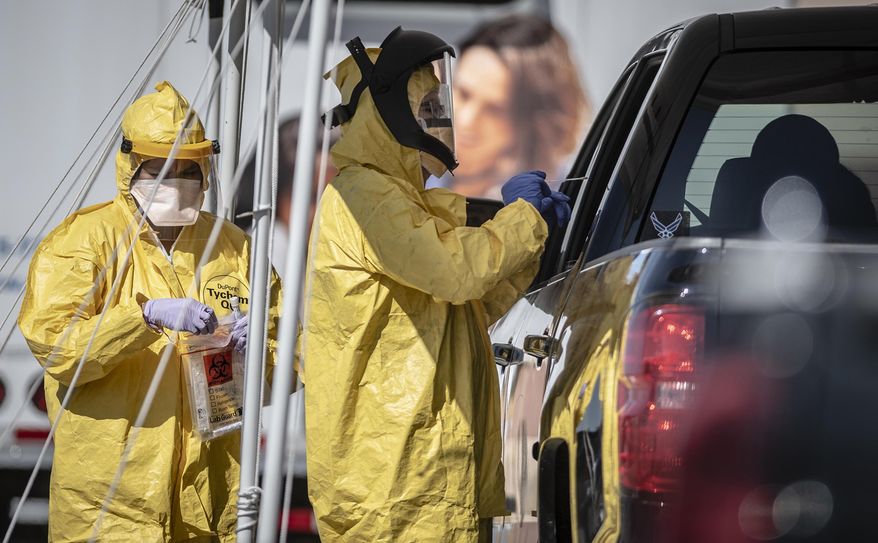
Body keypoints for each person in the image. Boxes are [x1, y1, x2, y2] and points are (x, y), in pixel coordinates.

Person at [303, 27, 570, 542]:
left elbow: (468, 304)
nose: (440, 120)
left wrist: (530, 248)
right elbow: (456, 272)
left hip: (430, 477)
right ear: (388, 114)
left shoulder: (403, 200)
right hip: (394, 488)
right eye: (426, 107)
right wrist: (524, 220)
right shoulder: (366, 200)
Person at [17, 81, 281, 542]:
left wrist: (256, 355)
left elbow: (290, 350)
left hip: (208, 501)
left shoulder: (235, 248)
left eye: (188, 168)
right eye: (160, 167)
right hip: (110, 506)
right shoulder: (85, 240)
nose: (176, 179)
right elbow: (57, 348)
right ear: (131, 165)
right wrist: (143, 318)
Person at [428, 14, 590, 199]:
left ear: (531, 125)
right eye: (464, 94)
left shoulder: (556, 200)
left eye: (494, 110)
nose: (467, 121)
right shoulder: (410, 173)